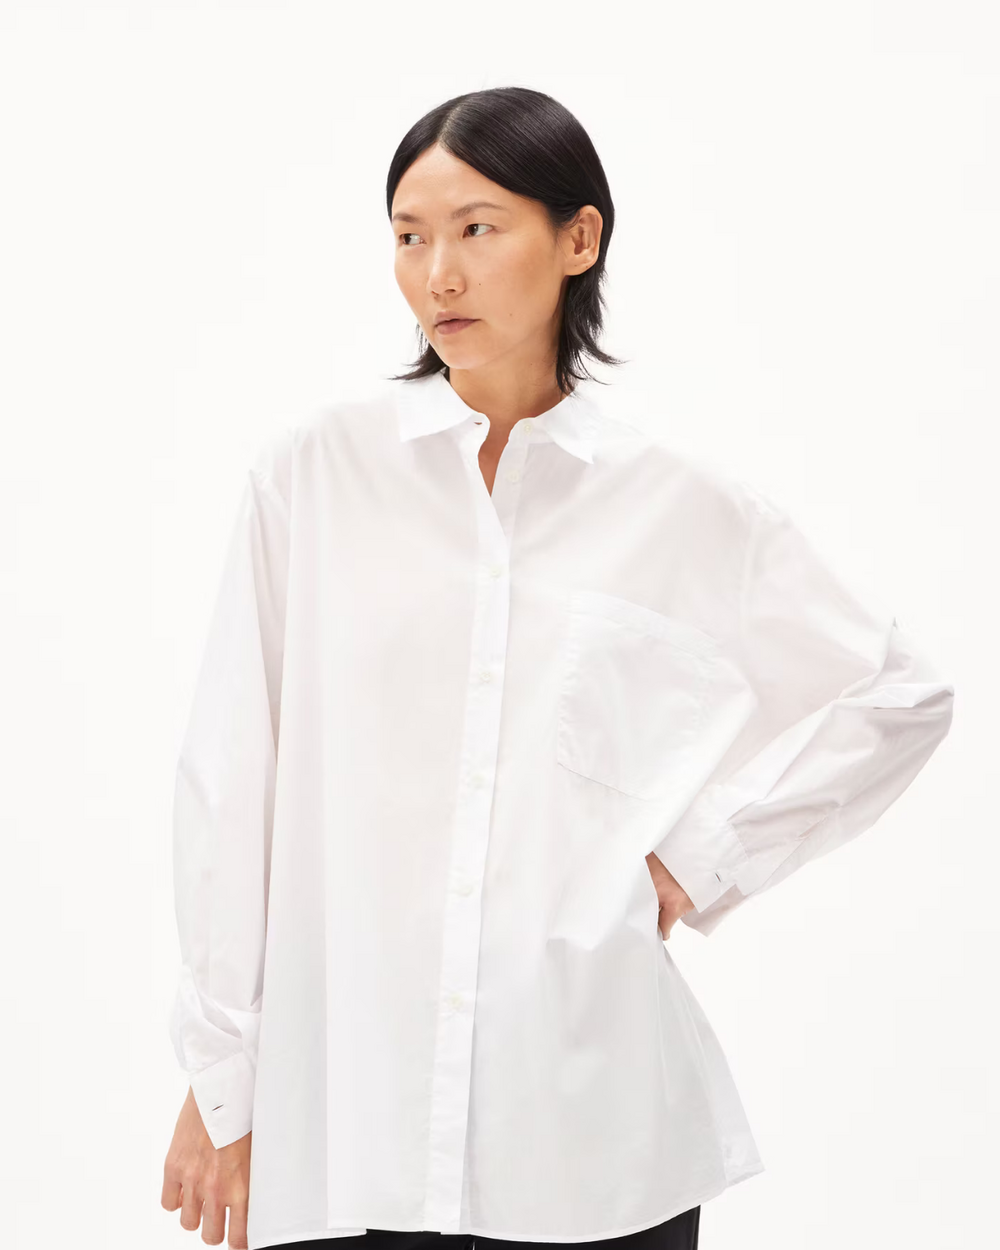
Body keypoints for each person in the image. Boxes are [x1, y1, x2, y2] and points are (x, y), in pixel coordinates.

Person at [160, 87, 955, 1250]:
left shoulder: (680, 506)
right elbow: (232, 783)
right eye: (408, 235)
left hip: (591, 1133)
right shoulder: (314, 476)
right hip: (350, 1122)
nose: (437, 272)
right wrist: (219, 1069)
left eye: (476, 229)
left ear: (578, 238)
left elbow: (898, 692)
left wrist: (700, 856)